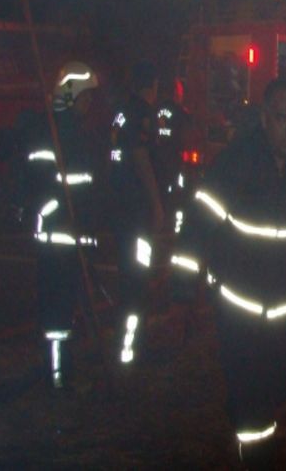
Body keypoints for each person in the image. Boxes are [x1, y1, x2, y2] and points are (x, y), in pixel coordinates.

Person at [170, 78, 286, 466]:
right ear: (266, 119)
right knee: (254, 408)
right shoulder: (236, 165)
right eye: (282, 119)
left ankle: (245, 412)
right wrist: (183, 295)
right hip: (240, 312)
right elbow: (197, 228)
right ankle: (255, 453)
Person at [17, 61, 100, 389]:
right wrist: (61, 214)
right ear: (70, 96)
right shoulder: (49, 131)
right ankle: (56, 374)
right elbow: (42, 186)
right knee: (56, 311)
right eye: (86, 97)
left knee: (67, 307)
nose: (90, 104)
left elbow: (85, 186)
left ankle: (66, 365)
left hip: (72, 234)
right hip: (56, 235)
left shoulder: (75, 132)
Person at [108, 60, 165, 365]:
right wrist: (156, 204)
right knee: (138, 279)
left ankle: (125, 340)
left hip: (120, 206)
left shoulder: (120, 111)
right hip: (138, 211)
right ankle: (131, 349)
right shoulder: (143, 114)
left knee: (127, 274)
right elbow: (142, 158)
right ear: (152, 85)